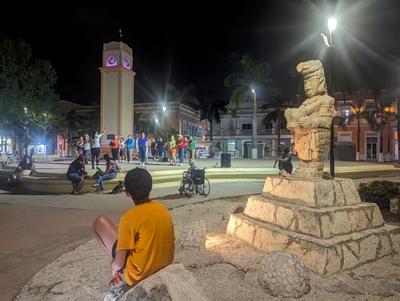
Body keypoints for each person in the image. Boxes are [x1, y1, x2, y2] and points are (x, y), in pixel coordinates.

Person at [93, 168, 175, 300]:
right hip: (164, 263)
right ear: (150, 188)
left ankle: (118, 280)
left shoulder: (129, 218)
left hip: (137, 275)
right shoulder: (163, 209)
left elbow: (119, 263)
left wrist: (115, 267)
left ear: (127, 193)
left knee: (100, 222)